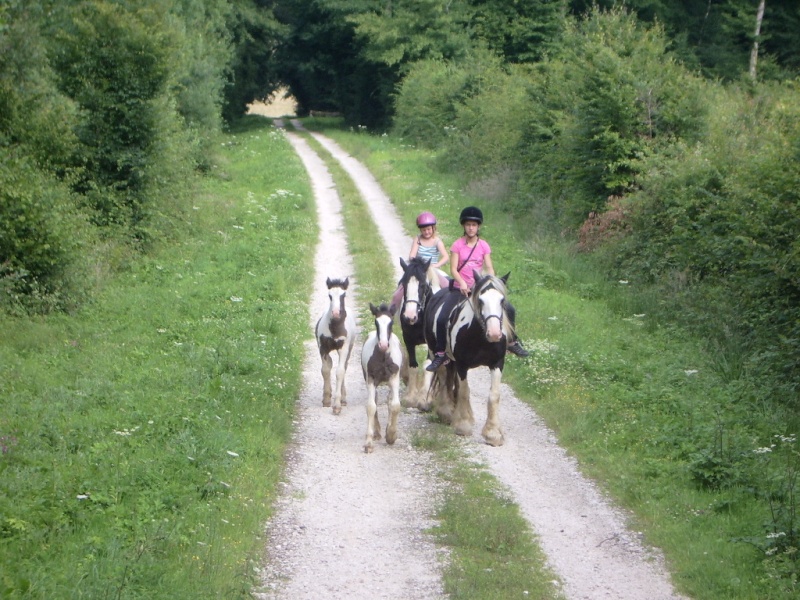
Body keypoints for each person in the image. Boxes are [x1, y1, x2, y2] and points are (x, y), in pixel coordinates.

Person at [427, 206, 529, 371]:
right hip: (460, 289)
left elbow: (489, 267)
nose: (471, 228)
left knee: (509, 309)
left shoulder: (484, 246)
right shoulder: (457, 245)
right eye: (468, 224)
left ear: (478, 226)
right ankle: (440, 352)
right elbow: (453, 269)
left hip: (480, 289)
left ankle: (512, 342)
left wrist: (490, 282)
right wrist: (463, 283)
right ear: (464, 226)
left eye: (474, 225)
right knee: (442, 317)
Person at [392, 211, 450, 308]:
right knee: (398, 294)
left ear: (433, 228)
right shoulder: (418, 239)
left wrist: (436, 265)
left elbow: (446, 257)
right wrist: (415, 265)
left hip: (432, 269)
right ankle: (390, 313)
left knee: (448, 286)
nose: (426, 232)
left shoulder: (437, 241)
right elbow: (412, 255)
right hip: (419, 269)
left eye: (428, 229)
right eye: (423, 230)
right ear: (420, 230)